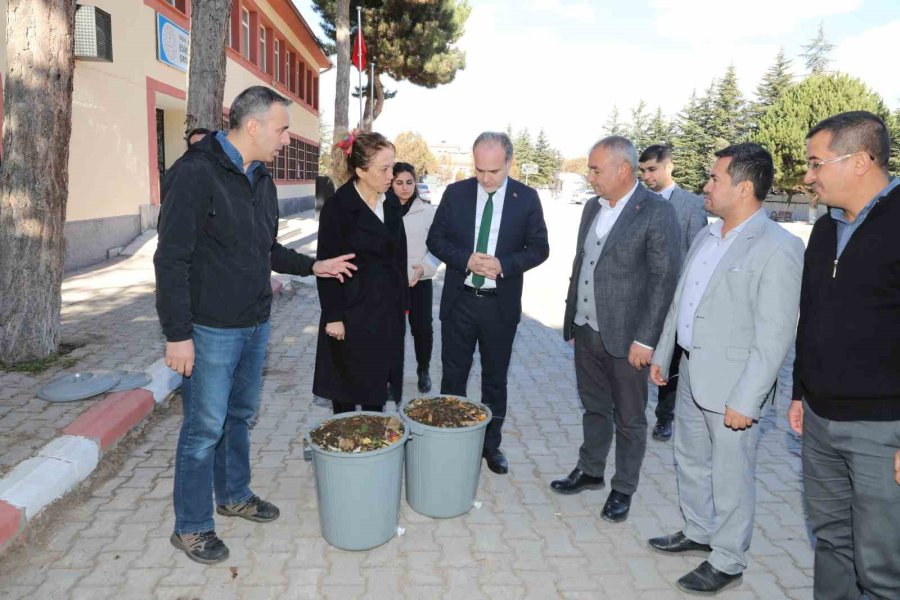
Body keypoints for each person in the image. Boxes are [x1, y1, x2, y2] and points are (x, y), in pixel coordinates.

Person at [155, 86, 355, 564]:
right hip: (208, 329)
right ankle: (192, 526)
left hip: (254, 323)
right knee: (203, 429)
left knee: (239, 417)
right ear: (253, 126)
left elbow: (266, 249)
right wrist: (178, 334)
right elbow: (172, 259)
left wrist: (314, 266)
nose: (287, 139)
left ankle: (234, 496)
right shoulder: (194, 174)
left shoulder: (259, 177)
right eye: (283, 129)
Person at [647, 142, 804, 594]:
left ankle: (729, 559)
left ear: (746, 187)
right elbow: (683, 299)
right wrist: (664, 354)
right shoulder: (708, 233)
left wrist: (747, 398)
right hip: (694, 369)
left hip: (735, 384)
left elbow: (775, 334)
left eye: (715, 178)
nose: (705, 185)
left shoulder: (778, 247)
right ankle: (698, 531)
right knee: (690, 459)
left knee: (731, 475)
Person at [789, 111, 900, 600]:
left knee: (882, 566)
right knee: (831, 542)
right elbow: (810, 316)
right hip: (818, 419)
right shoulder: (824, 230)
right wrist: (799, 391)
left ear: (859, 161)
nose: (807, 176)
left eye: (816, 163)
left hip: (882, 429)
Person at [551, 136, 680, 522]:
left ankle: (623, 488)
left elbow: (664, 279)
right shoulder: (592, 207)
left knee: (630, 417)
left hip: (629, 339)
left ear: (623, 170)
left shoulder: (655, 212)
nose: (589, 176)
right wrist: (575, 315)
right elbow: (584, 262)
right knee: (594, 406)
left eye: (595, 169)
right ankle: (591, 470)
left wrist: (647, 340)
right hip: (587, 328)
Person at [426, 131, 549, 475]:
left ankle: (489, 446)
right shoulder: (456, 193)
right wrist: (466, 259)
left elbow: (540, 248)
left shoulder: (526, 198)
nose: (485, 177)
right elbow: (435, 239)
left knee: (495, 380)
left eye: (493, 171)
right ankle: (450, 442)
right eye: (479, 169)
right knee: (453, 377)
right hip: (460, 302)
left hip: (499, 306)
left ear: (509, 163)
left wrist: (504, 266)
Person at [313, 130, 408, 415]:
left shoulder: (390, 203)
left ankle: (374, 452)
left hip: (384, 315)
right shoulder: (338, 208)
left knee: (376, 390)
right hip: (350, 315)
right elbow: (327, 266)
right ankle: (344, 454)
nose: (391, 175)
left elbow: (398, 256)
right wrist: (333, 318)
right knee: (345, 389)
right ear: (360, 171)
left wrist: (403, 304)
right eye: (385, 168)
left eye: (392, 165)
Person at [638, 144, 708, 442]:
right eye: (642, 171)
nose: (646, 176)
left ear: (670, 167)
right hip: (637, 299)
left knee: (670, 364)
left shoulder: (692, 206)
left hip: (673, 302)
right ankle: (631, 415)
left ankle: (664, 418)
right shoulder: (636, 202)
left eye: (652, 169)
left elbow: (698, 254)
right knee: (636, 361)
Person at [386, 162, 439, 397]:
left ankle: (423, 369)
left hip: (419, 280)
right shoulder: (381, 208)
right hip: (389, 284)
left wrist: (424, 269)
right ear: (391, 183)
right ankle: (390, 376)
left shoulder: (428, 212)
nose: (405, 188)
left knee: (422, 329)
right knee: (390, 330)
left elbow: (437, 248)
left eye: (409, 182)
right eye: (399, 183)